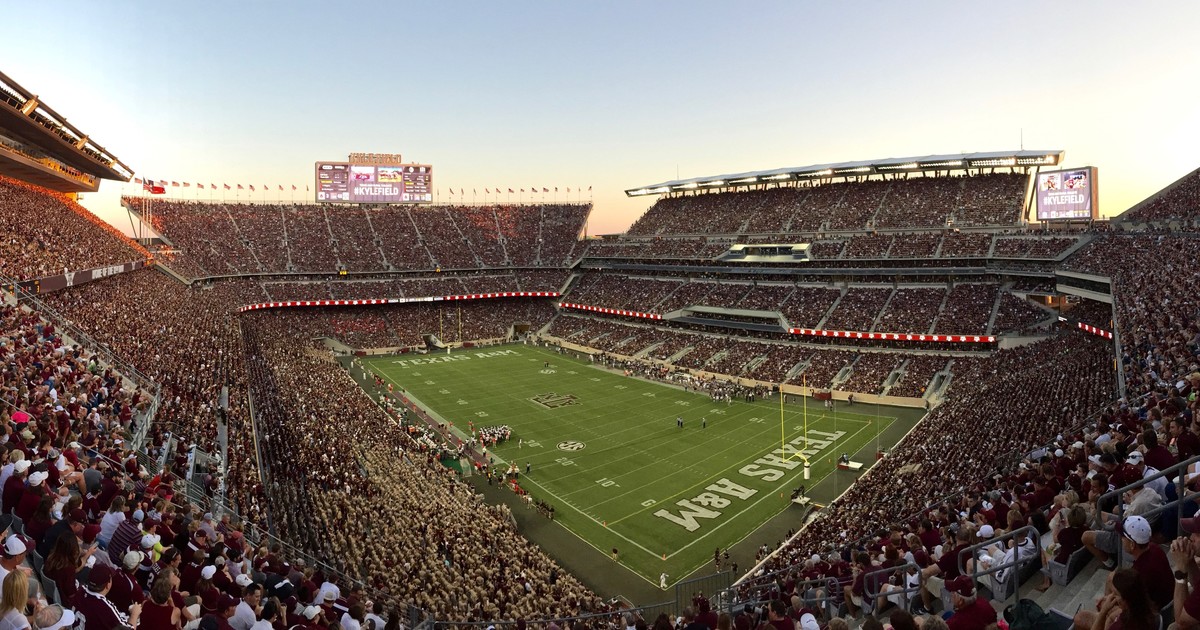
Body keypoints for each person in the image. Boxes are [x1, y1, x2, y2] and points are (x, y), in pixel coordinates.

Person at [1089, 568, 1158, 630]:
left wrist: (1103, 611)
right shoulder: (1146, 607)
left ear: (1125, 601)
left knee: (1083, 618)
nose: (1111, 596)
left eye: (1115, 594)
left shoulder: (1120, 626)